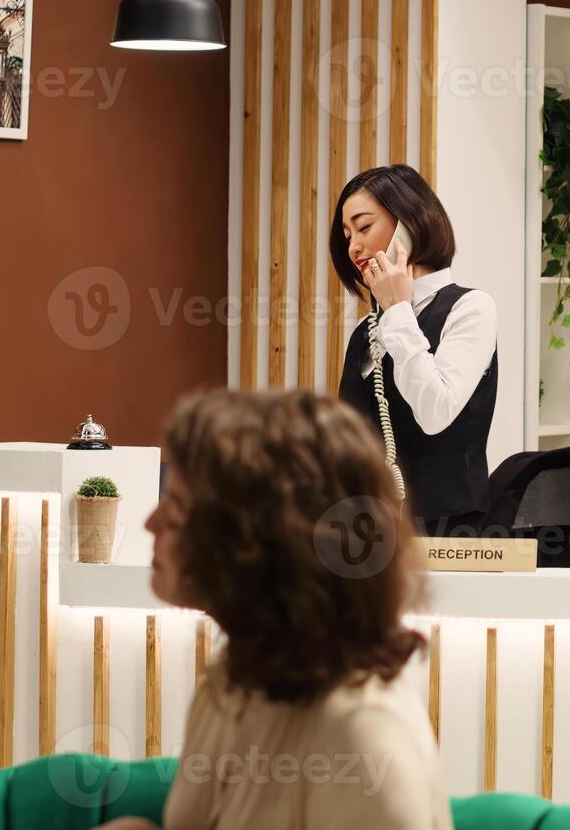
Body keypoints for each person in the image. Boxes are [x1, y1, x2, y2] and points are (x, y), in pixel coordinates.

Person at [100, 388, 450, 830]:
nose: (150, 521)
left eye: (179, 507)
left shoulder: (364, 742)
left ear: (260, 544)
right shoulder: (234, 678)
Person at [329, 164, 498, 535]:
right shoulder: (366, 329)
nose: (353, 246)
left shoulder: (470, 308)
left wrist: (399, 310)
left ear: (409, 223)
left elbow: (435, 412)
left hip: (450, 529)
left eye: (363, 226)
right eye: (346, 234)